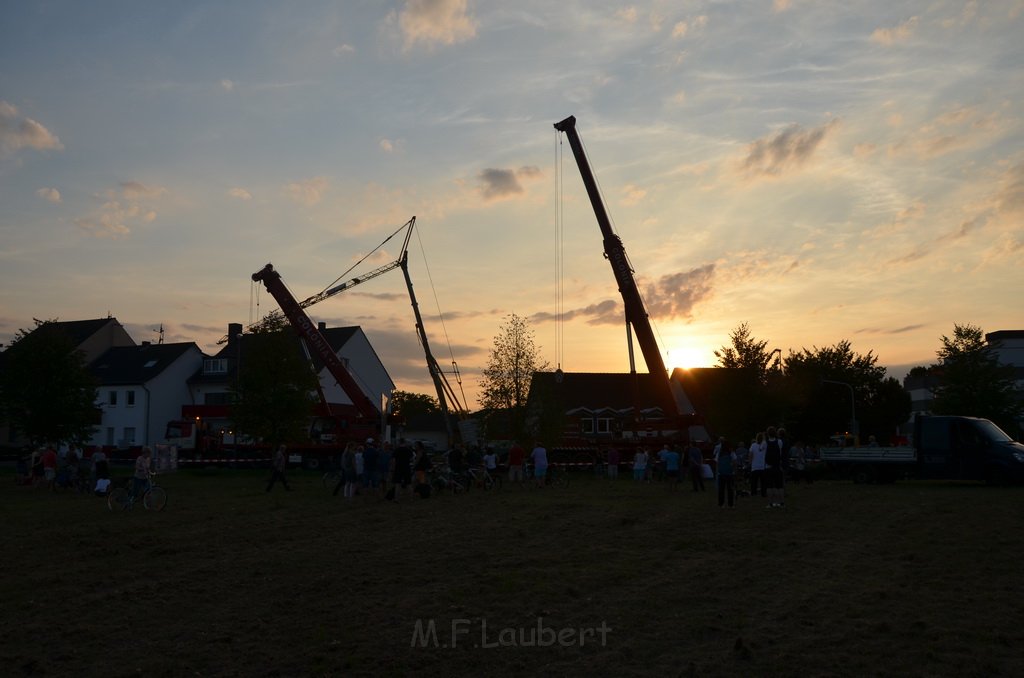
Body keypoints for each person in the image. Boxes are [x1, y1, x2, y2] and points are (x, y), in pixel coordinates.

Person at [764, 426, 784, 508]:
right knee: (779, 486)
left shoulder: (765, 443)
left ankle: (770, 503)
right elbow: (781, 452)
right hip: (777, 466)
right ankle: (781, 503)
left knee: (769, 486)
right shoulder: (779, 441)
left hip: (768, 466)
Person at [715, 439, 737, 508]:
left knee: (721, 489)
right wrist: (734, 470)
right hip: (729, 473)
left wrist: (717, 471)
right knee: (730, 489)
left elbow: (717, 463)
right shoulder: (731, 453)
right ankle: (731, 504)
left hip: (721, 473)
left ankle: (721, 504)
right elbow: (735, 462)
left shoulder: (719, 453)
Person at [748, 432, 767, 498]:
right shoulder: (765, 445)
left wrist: (750, 463)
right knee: (763, 482)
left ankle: (753, 493)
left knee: (754, 481)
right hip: (762, 466)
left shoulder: (753, 445)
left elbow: (750, 455)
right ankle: (763, 493)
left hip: (754, 466)